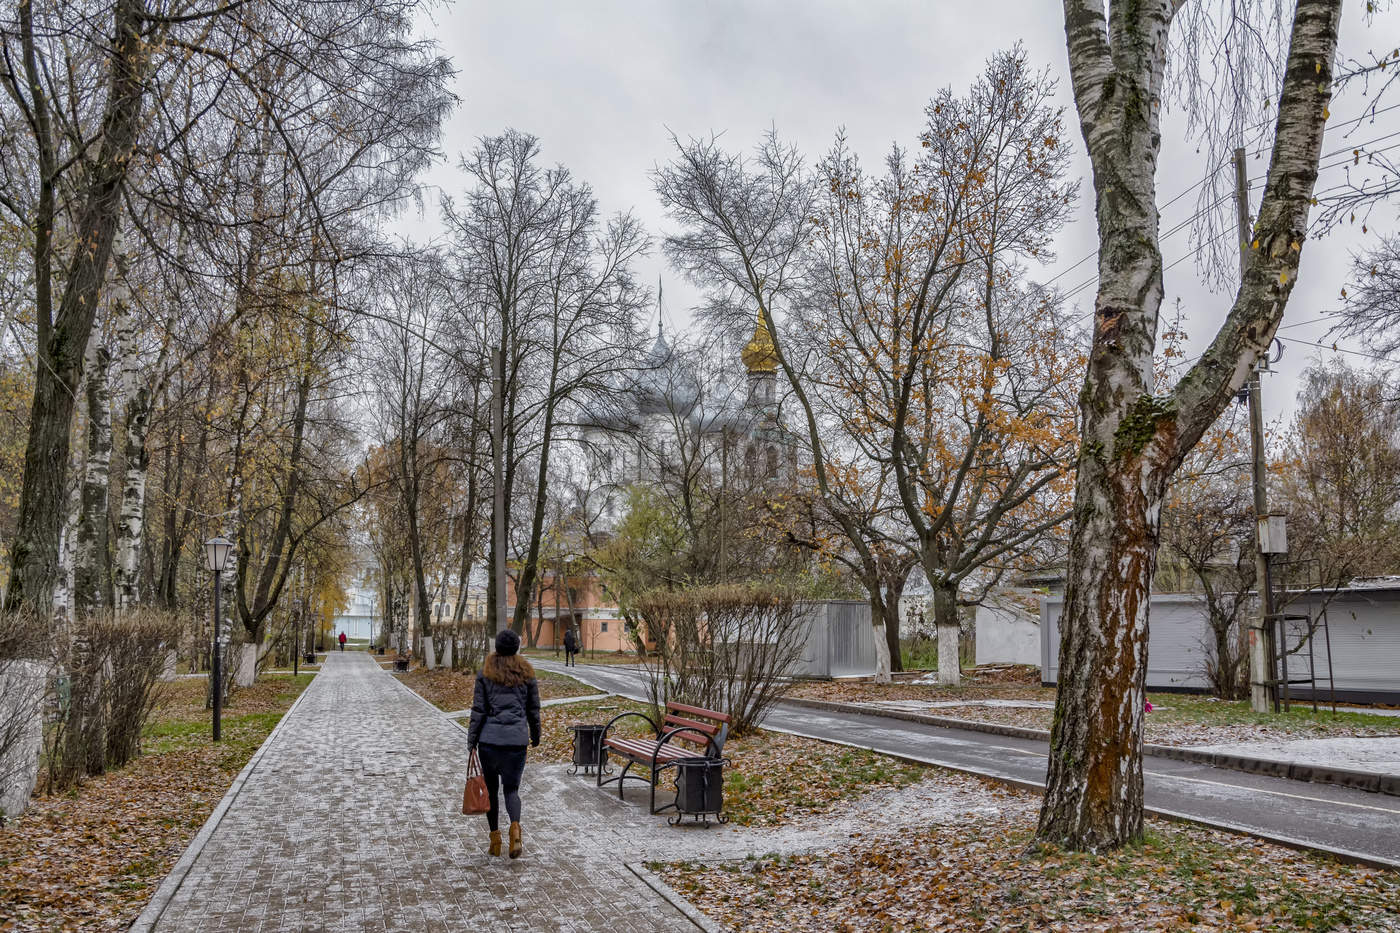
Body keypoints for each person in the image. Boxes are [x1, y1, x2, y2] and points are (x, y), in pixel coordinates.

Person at [467, 629, 540, 859]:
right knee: (512, 790)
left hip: (490, 742)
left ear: (497, 648)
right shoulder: (527, 673)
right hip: (516, 743)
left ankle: (495, 840)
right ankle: (515, 830)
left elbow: (478, 710)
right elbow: (533, 710)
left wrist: (472, 741)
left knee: (491, 792)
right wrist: (535, 734)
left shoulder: (486, 674)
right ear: (516, 648)